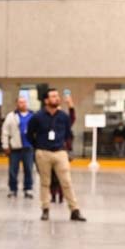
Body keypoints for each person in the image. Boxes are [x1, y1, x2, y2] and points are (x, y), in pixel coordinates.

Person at [27, 89, 85, 222]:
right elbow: (29, 135)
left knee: (67, 182)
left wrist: (64, 147)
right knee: (45, 183)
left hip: (60, 152)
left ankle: (74, 210)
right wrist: (38, 147)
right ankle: (45, 209)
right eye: (53, 96)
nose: (57, 98)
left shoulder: (63, 116)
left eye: (57, 96)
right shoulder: (37, 117)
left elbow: (68, 134)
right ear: (46, 101)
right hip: (43, 153)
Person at [1, 94, 35, 198]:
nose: (22, 104)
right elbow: (5, 131)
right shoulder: (11, 116)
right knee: (13, 170)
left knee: (29, 169)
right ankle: (12, 189)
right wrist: (5, 145)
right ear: (17, 104)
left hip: (28, 147)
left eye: (24, 102)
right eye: (20, 102)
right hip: (15, 148)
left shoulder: (33, 115)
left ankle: (28, 189)